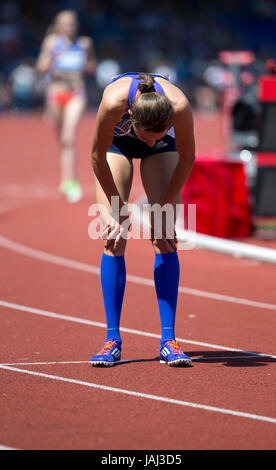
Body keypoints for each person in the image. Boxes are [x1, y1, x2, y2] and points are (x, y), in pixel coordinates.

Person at [90, 72, 195, 367]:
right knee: (114, 235)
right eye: (148, 139)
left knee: (164, 236)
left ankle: (169, 340)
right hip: (117, 146)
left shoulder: (179, 105)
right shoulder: (113, 102)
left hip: (166, 152)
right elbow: (97, 156)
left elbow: (187, 158)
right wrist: (116, 209)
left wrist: (163, 206)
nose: (150, 145)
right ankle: (112, 340)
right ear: (132, 119)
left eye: (157, 137)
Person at [36, 10, 96, 202]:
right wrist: (55, 56)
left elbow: (92, 67)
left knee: (69, 138)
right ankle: (66, 179)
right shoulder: (52, 43)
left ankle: (71, 181)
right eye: (65, 24)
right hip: (55, 93)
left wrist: (86, 56)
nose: (69, 27)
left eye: (72, 23)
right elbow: (40, 68)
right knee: (62, 140)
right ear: (58, 25)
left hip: (76, 93)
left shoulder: (84, 43)